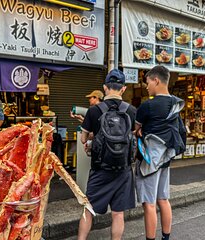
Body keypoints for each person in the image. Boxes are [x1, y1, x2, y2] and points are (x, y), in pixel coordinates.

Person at [78, 69, 136, 240]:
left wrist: (91, 137)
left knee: (88, 210)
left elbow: (83, 139)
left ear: (104, 88)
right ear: (123, 89)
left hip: (100, 169)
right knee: (118, 214)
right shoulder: (131, 111)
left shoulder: (95, 111)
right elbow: (132, 136)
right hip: (123, 170)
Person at [134, 65, 186, 240]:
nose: (147, 86)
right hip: (166, 158)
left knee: (149, 204)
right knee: (163, 199)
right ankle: (166, 237)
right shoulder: (175, 104)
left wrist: (139, 131)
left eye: (148, 82)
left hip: (150, 159)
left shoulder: (147, 105)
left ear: (156, 80)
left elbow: (136, 130)